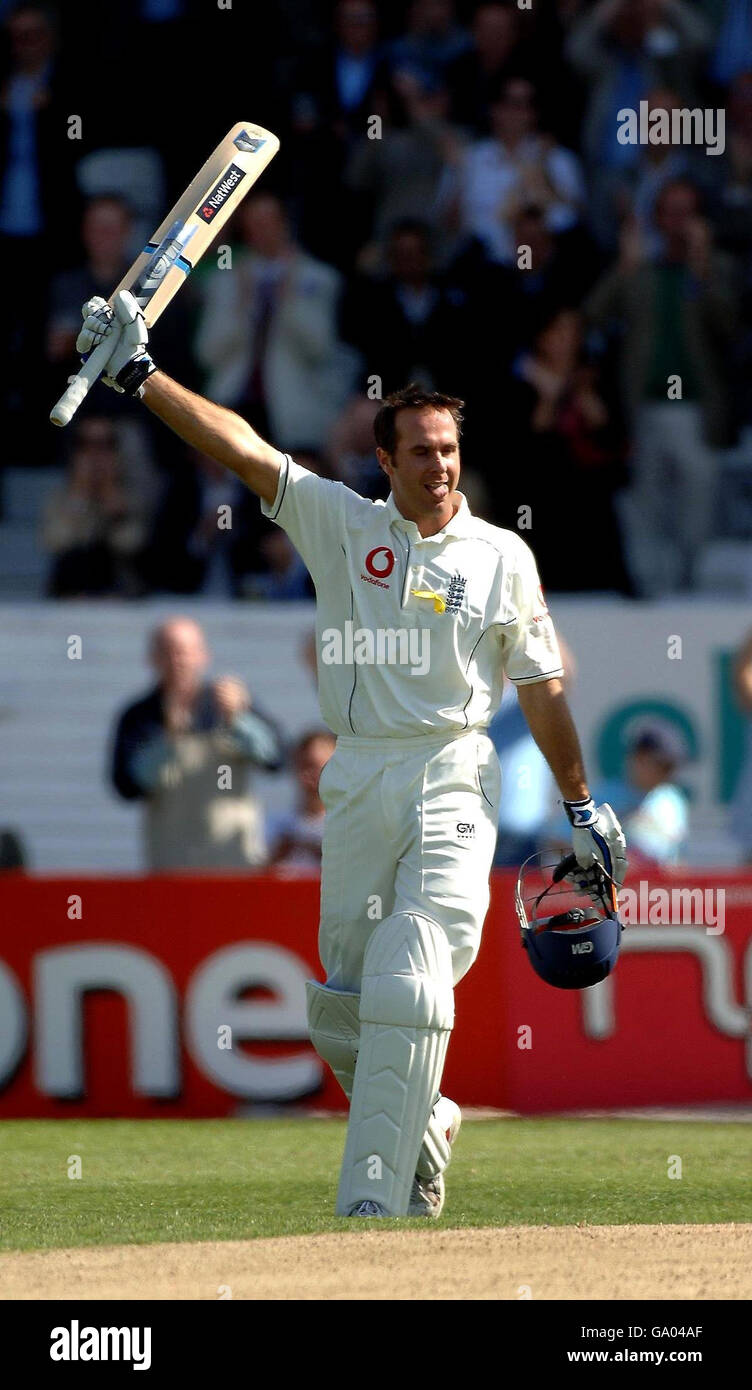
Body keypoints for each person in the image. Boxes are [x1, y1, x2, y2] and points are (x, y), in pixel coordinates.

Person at [75, 290, 627, 1220]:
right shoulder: (343, 524)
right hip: (361, 775)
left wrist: (580, 806)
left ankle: (371, 1208)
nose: (441, 465)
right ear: (386, 461)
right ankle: (431, 1121)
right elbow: (242, 448)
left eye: (450, 449)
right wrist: (141, 375)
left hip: (454, 768)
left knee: (413, 966)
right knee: (344, 1006)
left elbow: (542, 691)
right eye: (421, 451)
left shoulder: (502, 558)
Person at [110, 616, 284, 871]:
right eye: (168, 652)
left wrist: (240, 719)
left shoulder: (230, 703)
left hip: (236, 865)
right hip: (170, 866)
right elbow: (126, 786)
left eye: (185, 652)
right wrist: (168, 741)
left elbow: (276, 759)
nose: (178, 661)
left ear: (204, 655)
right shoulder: (140, 715)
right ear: (153, 659)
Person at [267, 728, 337, 871]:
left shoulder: (353, 825)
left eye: (317, 767)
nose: (309, 775)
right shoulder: (274, 825)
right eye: (303, 766)